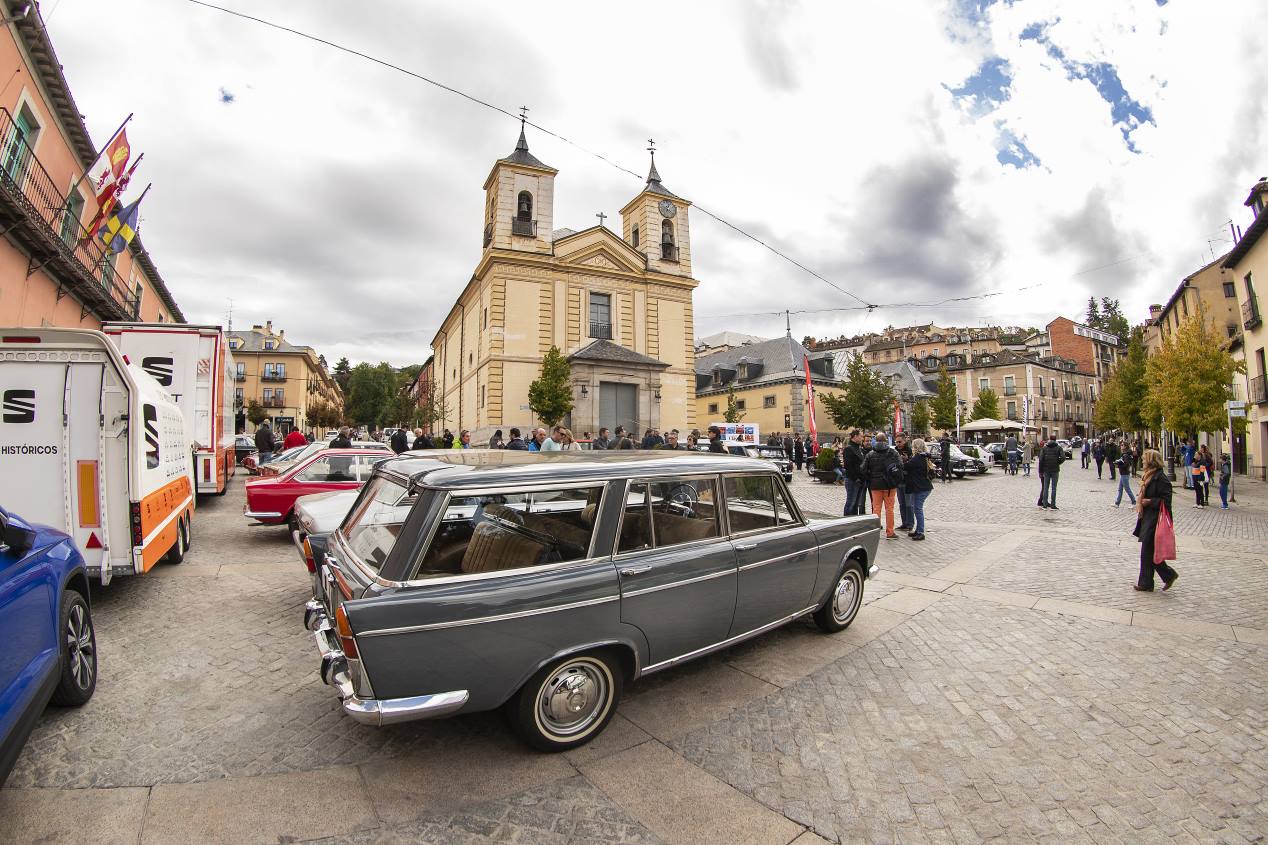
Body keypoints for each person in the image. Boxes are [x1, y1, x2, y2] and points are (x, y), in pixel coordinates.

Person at [1133, 449, 1178, 592]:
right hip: (1148, 518)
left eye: (1145, 459)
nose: (1143, 461)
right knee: (1149, 552)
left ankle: (1155, 580)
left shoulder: (1161, 478)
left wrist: (1149, 502)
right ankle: (1158, 579)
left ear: (1151, 461)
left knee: (1148, 552)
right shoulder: (1148, 476)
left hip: (1155, 520)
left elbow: (1166, 501)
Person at [861, 434, 902, 540]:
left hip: (875, 485)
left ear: (876, 441)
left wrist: (870, 478)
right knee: (889, 509)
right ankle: (890, 532)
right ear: (885, 441)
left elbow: (863, 469)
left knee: (876, 509)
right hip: (890, 485)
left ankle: (875, 532)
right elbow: (900, 466)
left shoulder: (870, 454)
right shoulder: (893, 452)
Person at [905, 437, 935, 540]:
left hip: (921, 488)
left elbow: (907, 466)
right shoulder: (924, 456)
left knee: (918, 509)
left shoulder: (917, 458)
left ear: (915, 447)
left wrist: (903, 460)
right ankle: (918, 530)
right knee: (916, 508)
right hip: (922, 487)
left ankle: (921, 532)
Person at [843, 430, 867, 515]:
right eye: (861, 436)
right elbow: (848, 466)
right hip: (852, 480)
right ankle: (846, 522)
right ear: (855, 436)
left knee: (856, 504)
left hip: (860, 480)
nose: (862, 438)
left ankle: (853, 521)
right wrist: (856, 478)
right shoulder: (849, 449)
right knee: (850, 503)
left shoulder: (859, 448)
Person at [893, 432, 914, 531]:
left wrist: (905, 460)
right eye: (896, 442)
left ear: (904, 441)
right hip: (898, 480)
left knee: (908, 504)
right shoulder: (894, 451)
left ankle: (910, 523)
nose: (898, 444)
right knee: (901, 504)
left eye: (899, 442)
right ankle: (904, 523)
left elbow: (912, 465)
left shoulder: (910, 450)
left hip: (908, 480)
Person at [1038, 434, 1064, 509]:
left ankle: (1045, 504)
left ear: (1049, 439)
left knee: (1046, 487)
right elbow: (1063, 457)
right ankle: (1053, 505)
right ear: (1055, 440)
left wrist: (1040, 471)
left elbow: (1041, 460)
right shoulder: (1059, 448)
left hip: (1046, 470)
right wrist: (1058, 462)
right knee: (1054, 488)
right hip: (1055, 469)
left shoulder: (1044, 448)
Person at [1113, 442, 1136, 507]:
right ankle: (1117, 503)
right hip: (1123, 473)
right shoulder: (1124, 454)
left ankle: (1134, 502)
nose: (1121, 446)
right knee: (1120, 489)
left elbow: (1126, 464)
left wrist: (1118, 465)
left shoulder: (1126, 455)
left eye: (1122, 445)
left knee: (1127, 489)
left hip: (1125, 473)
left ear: (1125, 446)